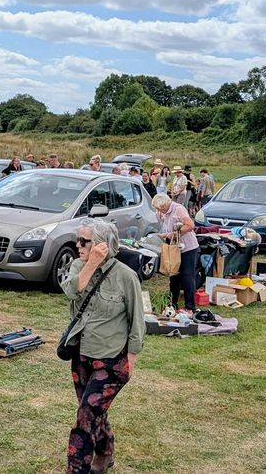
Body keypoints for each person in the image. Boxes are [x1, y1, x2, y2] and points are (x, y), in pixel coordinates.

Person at [59, 218, 143, 474]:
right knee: (93, 411)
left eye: (84, 241)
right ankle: (105, 453)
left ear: (101, 245)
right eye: (78, 240)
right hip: (82, 355)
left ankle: (77, 469)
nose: (78, 245)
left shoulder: (126, 276)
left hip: (112, 360)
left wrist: (130, 360)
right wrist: (91, 263)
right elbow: (71, 291)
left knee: (86, 416)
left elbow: (137, 321)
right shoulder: (78, 266)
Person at [153, 193, 199, 312]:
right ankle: (172, 303)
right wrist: (164, 235)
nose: (159, 211)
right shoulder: (164, 212)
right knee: (174, 275)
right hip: (175, 248)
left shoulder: (178, 209)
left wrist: (174, 233)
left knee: (187, 276)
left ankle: (190, 306)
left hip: (187, 247)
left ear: (164, 205)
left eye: (160, 209)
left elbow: (190, 225)